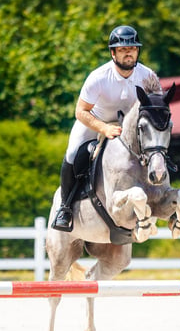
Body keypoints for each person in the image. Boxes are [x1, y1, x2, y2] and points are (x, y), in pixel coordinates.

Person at [52, 24, 161, 232]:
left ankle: (158, 196)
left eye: (132, 48)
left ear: (138, 51)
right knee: (73, 152)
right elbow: (81, 111)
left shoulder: (148, 77)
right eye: (122, 49)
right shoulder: (99, 76)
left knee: (155, 150)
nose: (128, 53)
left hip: (129, 128)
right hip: (96, 121)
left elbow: (157, 108)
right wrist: (103, 128)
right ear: (113, 53)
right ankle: (65, 208)